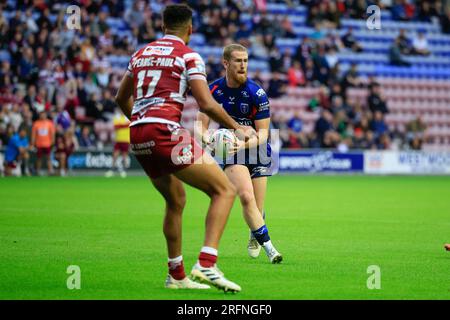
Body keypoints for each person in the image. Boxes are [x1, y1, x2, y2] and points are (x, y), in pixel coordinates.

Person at [114, 4, 255, 292]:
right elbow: (206, 103)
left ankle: (176, 276)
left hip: (138, 134)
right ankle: (206, 263)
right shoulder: (189, 55)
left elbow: (120, 97)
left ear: (163, 26)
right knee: (224, 190)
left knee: (176, 200)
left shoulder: (140, 54)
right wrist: (237, 128)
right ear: (190, 29)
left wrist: (143, 122)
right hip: (166, 131)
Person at [196, 43, 283, 264]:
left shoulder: (257, 93)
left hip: (256, 149)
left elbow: (263, 134)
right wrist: (206, 139)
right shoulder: (213, 91)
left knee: (257, 208)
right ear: (226, 63)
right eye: (238, 61)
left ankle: (255, 233)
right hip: (231, 152)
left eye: (245, 60)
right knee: (246, 197)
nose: (243, 65)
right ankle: (271, 249)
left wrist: (243, 145)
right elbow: (200, 125)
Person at [105, 109, 130, 178]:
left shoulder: (126, 116)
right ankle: (112, 170)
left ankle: (123, 170)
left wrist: (122, 125)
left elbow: (126, 125)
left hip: (125, 139)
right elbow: (116, 127)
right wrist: (125, 125)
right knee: (115, 155)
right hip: (118, 139)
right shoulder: (117, 117)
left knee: (124, 156)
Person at [31, 111, 55, 176]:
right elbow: (33, 135)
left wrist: (52, 142)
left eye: (44, 115)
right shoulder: (36, 123)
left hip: (48, 144)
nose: (42, 116)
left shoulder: (50, 123)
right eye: (41, 115)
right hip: (39, 144)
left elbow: (52, 134)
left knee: (48, 158)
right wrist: (32, 143)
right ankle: (38, 171)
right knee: (39, 158)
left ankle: (50, 171)